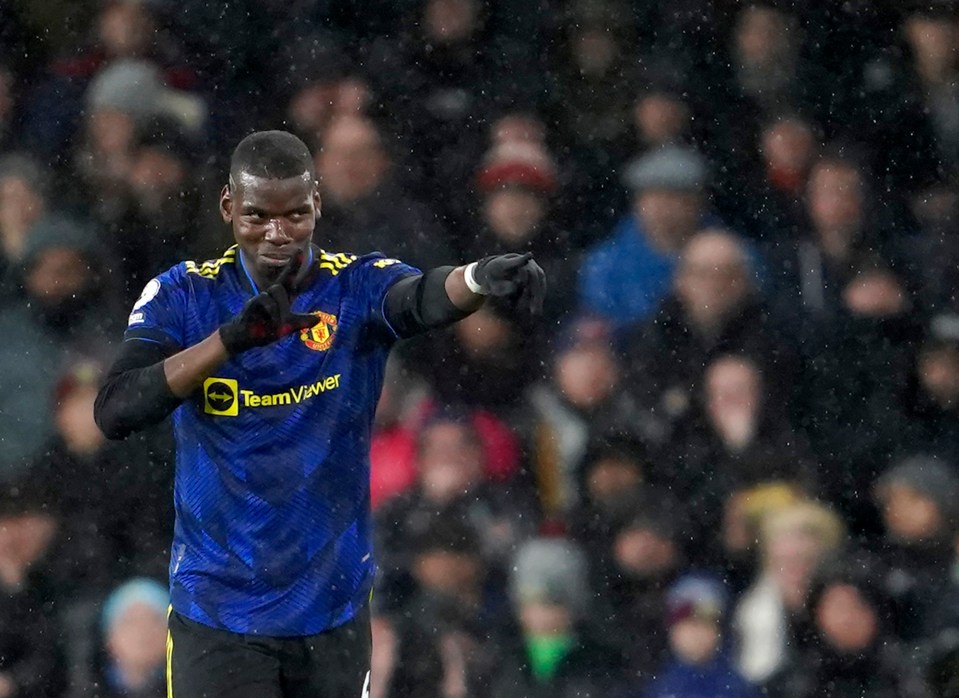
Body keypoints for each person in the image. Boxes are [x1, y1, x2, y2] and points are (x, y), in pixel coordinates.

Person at [93, 129, 545, 697]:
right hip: (218, 615)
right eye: (258, 215)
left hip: (331, 612)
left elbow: (421, 297)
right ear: (228, 206)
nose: (277, 234)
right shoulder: (184, 295)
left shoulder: (354, 285)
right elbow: (115, 411)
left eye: (296, 215)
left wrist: (477, 278)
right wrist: (227, 342)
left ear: (317, 206)